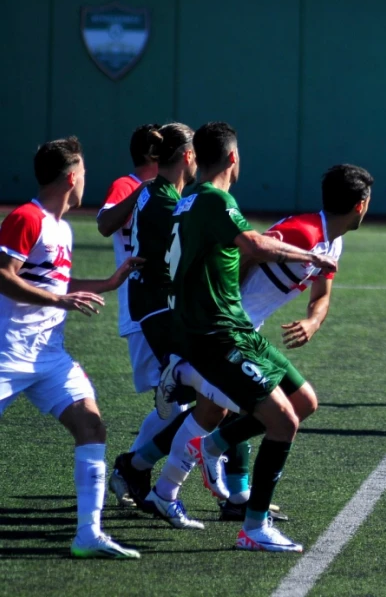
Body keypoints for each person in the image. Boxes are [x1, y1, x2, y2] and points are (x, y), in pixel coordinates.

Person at [123, 163, 372, 524]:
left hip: (244, 330)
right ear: (361, 205)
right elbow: (243, 252)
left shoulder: (332, 240)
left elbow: (322, 292)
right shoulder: (302, 232)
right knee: (236, 410)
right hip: (226, 330)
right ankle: (210, 481)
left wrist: (312, 321)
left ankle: (144, 464)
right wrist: (227, 310)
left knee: (250, 408)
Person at [159, 121, 336, 551]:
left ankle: (207, 444)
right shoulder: (215, 199)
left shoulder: (188, 200)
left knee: (303, 402)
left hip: (233, 325)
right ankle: (254, 527)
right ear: (234, 158)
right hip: (217, 334)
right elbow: (254, 245)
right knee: (284, 422)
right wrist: (309, 255)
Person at [0, 136, 143, 558]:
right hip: (7, 354)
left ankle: (88, 534)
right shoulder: (26, 217)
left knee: (91, 426)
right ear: (71, 177)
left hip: (49, 357)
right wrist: (61, 300)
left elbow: (54, 283)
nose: (86, 181)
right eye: (83, 174)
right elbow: (4, 274)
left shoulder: (61, 226)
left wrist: (108, 283)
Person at [96, 124, 187, 471]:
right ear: (152, 154)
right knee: (175, 399)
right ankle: (130, 468)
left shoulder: (169, 191)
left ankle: (132, 469)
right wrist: (140, 192)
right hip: (141, 306)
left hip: (159, 303)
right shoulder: (130, 185)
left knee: (178, 398)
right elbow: (104, 224)